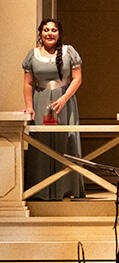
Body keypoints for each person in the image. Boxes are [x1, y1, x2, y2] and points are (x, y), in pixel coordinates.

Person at [22, 18, 84, 200]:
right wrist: (29, 106)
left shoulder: (68, 52)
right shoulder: (32, 55)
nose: (50, 33)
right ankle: (41, 191)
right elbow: (28, 83)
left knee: (66, 141)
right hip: (41, 102)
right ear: (41, 33)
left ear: (59, 33)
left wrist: (64, 98)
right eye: (46, 30)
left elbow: (77, 79)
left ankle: (66, 189)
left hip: (65, 101)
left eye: (54, 30)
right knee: (41, 143)